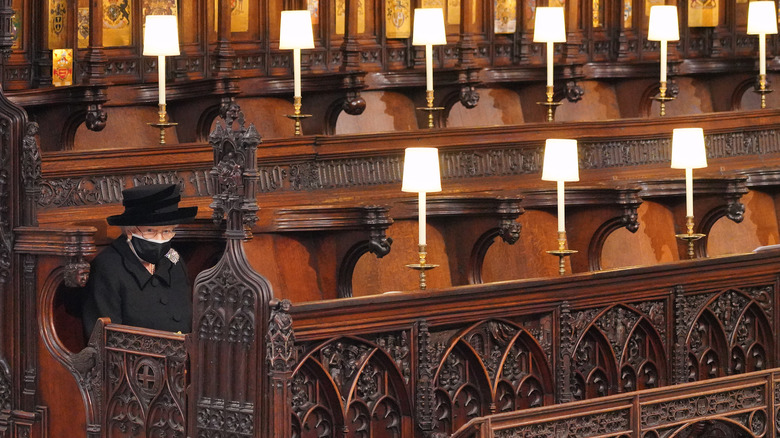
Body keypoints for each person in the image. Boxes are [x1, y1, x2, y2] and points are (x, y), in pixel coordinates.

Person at [82, 183, 198, 336]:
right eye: (150, 231)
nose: (160, 239)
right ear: (130, 230)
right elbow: (105, 338)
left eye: (167, 231)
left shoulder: (173, 258)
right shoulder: (108, 267)